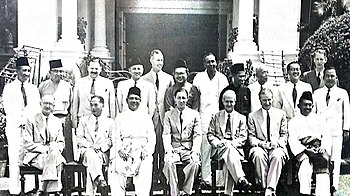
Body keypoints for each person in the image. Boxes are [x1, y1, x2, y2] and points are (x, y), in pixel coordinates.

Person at [2, 56, 41, 194]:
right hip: (15, 128)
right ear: (17, 71)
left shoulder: (33, 89)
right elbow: (8, 109)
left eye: (28, 71)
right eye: (24, 70)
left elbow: (36, 109)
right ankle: (15, 190)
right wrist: (21, 121)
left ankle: (30, 188)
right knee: (14, 158)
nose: (26, 73)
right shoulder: (9, 88)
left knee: (30, 156)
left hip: (30, 129)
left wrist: (30, 124)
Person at [110, 87, 156, 196]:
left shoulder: (146, 117)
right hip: (124, 149)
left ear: (140, 101)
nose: (134, 101)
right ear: (126, 100)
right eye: (131, 98)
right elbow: (115, 136)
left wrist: (147, 150)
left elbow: (152, 137)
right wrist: (120, 149)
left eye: (137, 99)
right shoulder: (120, 117)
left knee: (146, 164)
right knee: (115, 164)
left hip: (141, 149)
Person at [192, 52, 228, 186]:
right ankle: (206, 179)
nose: (211, 64)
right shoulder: (199, 78)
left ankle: (220, 181)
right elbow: (195, 98)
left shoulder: (223, 78)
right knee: (205, 148)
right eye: (208, 62)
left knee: (220, 146)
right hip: (203, 116)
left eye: (213, 61)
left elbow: (225, 99)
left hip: (219, 117)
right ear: (204, 64)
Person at [207, 90, 252, 195]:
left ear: (235, 102)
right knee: (228, 152)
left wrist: (231, 144)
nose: (229, 104)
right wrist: (218, 142)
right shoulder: (216, 116)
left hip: (235, 150)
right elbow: (210, 134)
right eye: (227, 101)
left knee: (228, 156)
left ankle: (228, 193)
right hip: (219, 149)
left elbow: (243, 137)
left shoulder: (241, 118)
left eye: (231, 102)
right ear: (223, 101)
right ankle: (240, 178)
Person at [313, 65, 350, 193]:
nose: (329, 78)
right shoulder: (317, 93)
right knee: (323, 158)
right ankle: (323, 184)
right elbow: (313, 112)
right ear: (323, 77)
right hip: (322, 131)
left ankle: (334, 184)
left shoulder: (342, 93)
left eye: (332, 76)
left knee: (336, 158)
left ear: (336, 78)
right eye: (327, 76)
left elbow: (347, 112)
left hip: (336, 131)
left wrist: (346, 129)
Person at [20, 95, 66, 195]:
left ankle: (43, 188)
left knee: (55, 155)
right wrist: (45, 149)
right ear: (40, 104)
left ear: (53, 106)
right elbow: (27, 143)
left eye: (50, 104)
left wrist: (54, 148)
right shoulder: (31, 120)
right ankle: (52, 190)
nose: (47, 106)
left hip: (52, 154)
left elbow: (61, 142)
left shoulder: (57, 122)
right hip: (36, 156)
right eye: (45, 103)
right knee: (58, 161)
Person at [289, 91, 332, 196]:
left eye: (310, 105)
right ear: (299, 106)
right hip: (302, 149)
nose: (307, 107)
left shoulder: (319, 119)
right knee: (305, 167)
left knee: (323, 161)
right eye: (305, 105)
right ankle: (305, 193)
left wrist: (324, 147)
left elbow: (327, 135)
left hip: (317, 148)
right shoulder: (293, 122)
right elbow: (292, 140)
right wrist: (304, 150)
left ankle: (322, 193)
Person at [247, 88, 288, 196]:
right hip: (260, 146)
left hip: (276, 146)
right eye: (264, 100)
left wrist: (277, 143)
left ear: (273, 99)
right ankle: (266, 188)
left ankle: (269, 188)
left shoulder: (281, 114)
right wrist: (261, 144)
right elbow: (251, 137)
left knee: (278, 155)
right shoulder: (252, 116)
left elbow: (284, 136)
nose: (267, 103)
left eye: (269, 100)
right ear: (260, 100)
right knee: (258, 155)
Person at [142, 49, 174, 184]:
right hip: (151, 117)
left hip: (164, 116)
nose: (160, 63)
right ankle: (153, 175)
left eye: (161, 60)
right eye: (157, 60)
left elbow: (171, 98)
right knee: (152, 147)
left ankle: (163, 174)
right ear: (151, 60)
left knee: (163, 146)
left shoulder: (168, 78)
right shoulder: (144, 79)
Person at [162, 88, 201, 196]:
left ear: (187, 99)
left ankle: (186, 191)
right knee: (169, 163)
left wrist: (194, 151)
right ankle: (175, 193)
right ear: (174, 99)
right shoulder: (168, 115)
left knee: (195, 163)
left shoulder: (194, 114)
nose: (181, 100)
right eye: (179, 98)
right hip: (174, 149)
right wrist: (169, 151)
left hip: (188, 149)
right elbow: (166, 134)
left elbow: (197, 135)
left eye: (184, 98)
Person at [76, 95, 114, 195]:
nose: (93, 108)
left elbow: (111, 140)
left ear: (102, 105)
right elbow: (79, 138)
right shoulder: (84, 120)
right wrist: (91, 146)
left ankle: (92, 189)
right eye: (91, 105)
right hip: (85, 152)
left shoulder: (109, 122)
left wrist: (101, 147)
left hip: (102, 153)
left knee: (90, 165)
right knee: (90, 153)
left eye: (96, 105)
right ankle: (99, 178)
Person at [38, 59, 73, 161]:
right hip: (48, 119)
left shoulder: (67, 86)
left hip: (63, 118)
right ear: (50, 73)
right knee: (50, 146)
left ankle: (67, 174)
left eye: (60, 71)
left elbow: (71, 103)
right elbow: (39, 103)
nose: (58, 74)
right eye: (55, 71)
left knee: (66, 147)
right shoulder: (43, 86)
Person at [72, 59, 116, 128]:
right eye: (92, 68)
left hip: (103, 118)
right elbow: (75, 102)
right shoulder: (80, 83)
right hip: (84, 118)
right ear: (88, 68)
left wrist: (112, 121)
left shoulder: (108, 83)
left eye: (96, 69)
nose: (94, 71)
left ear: (100, 69)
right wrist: (74, 122)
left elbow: (112, 103)